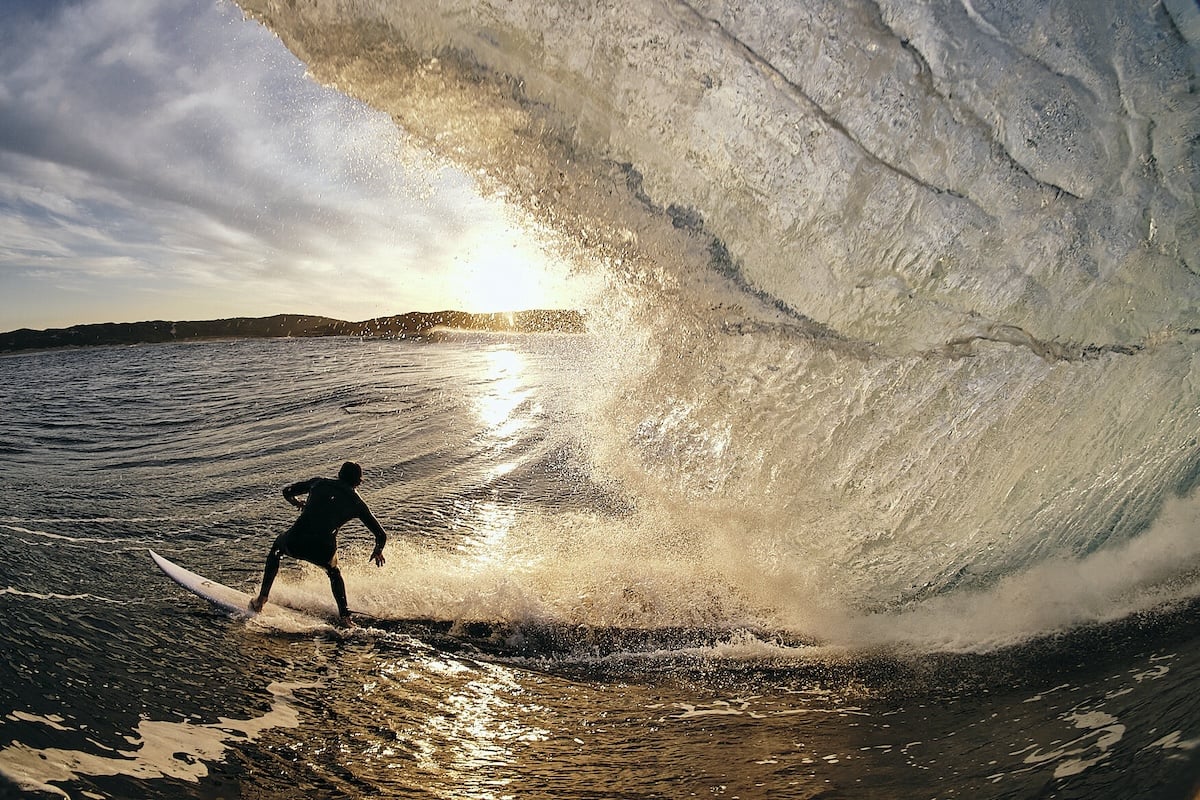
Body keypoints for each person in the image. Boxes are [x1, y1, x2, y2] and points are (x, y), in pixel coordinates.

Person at [250, 461, 386, 627]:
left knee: (277, 549)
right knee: (334, 573)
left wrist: (297, 503)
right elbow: (381, 535)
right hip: (322, 550)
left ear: (339, 475)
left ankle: (262, 598)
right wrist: (378, 550)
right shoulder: (357, 503)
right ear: (358, 482)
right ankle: (345, 617)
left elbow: (287, 491)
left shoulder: (318, 483)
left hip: (296, 540)